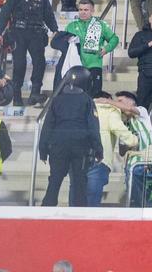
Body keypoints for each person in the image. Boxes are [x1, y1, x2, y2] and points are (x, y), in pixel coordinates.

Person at [39, 66, 103, 207]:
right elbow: (93, 127)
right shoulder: (87, 100)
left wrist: (42, 149)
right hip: (81, 147)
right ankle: (79, 217)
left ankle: (45, 214)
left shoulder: (57, 100)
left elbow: (47, 126)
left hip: (58, 146)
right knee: (79, 183)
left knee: (54, 181)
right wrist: (98, 149)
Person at [0, 0, 58, 107]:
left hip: (36, 33)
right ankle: (16, 95)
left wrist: (55, 29)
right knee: (19, 65)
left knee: (40, 63)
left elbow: (48, 14)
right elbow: (4, 14)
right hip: (18, 33)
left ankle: (35, 92)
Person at [89, 90, 139, 207]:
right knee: (91, 202)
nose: (115, 103)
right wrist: (134, 140)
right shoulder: (110, 109)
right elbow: (119, 129)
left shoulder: (83, 108)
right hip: (99, 158)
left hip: (77, 157)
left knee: (76, 197)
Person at [62, 0, 119, 96]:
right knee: (76, 95)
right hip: (76, 65)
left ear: (92, 10)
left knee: (94, 95)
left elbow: (114, 38)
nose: (83, 12)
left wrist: (107, 48)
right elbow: (63, 42)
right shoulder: (71, 26)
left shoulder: (100, 25)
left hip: (94, 65)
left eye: (86, 10)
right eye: (80, 10)